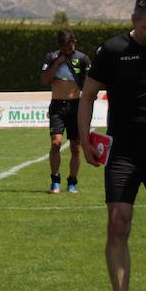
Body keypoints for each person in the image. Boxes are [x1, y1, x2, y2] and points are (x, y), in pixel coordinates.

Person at [77, 0, 146, 291]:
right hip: (124, 152)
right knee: (118, 223)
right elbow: (87, 96)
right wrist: (85, 138)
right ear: (133, 20)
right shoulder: (112, 50)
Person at [41, 29, 90, 193]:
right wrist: (57, 63)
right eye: (63, 47)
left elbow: (89, 83)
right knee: (56, 143)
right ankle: (55, 179)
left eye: (69, 46)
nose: (66, 50)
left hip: (75, 106)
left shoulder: (82, 59)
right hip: (57, 105)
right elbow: (45, 80)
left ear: (73, 42)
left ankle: (72, 181)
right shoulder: (52, 57)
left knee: (76, 147)